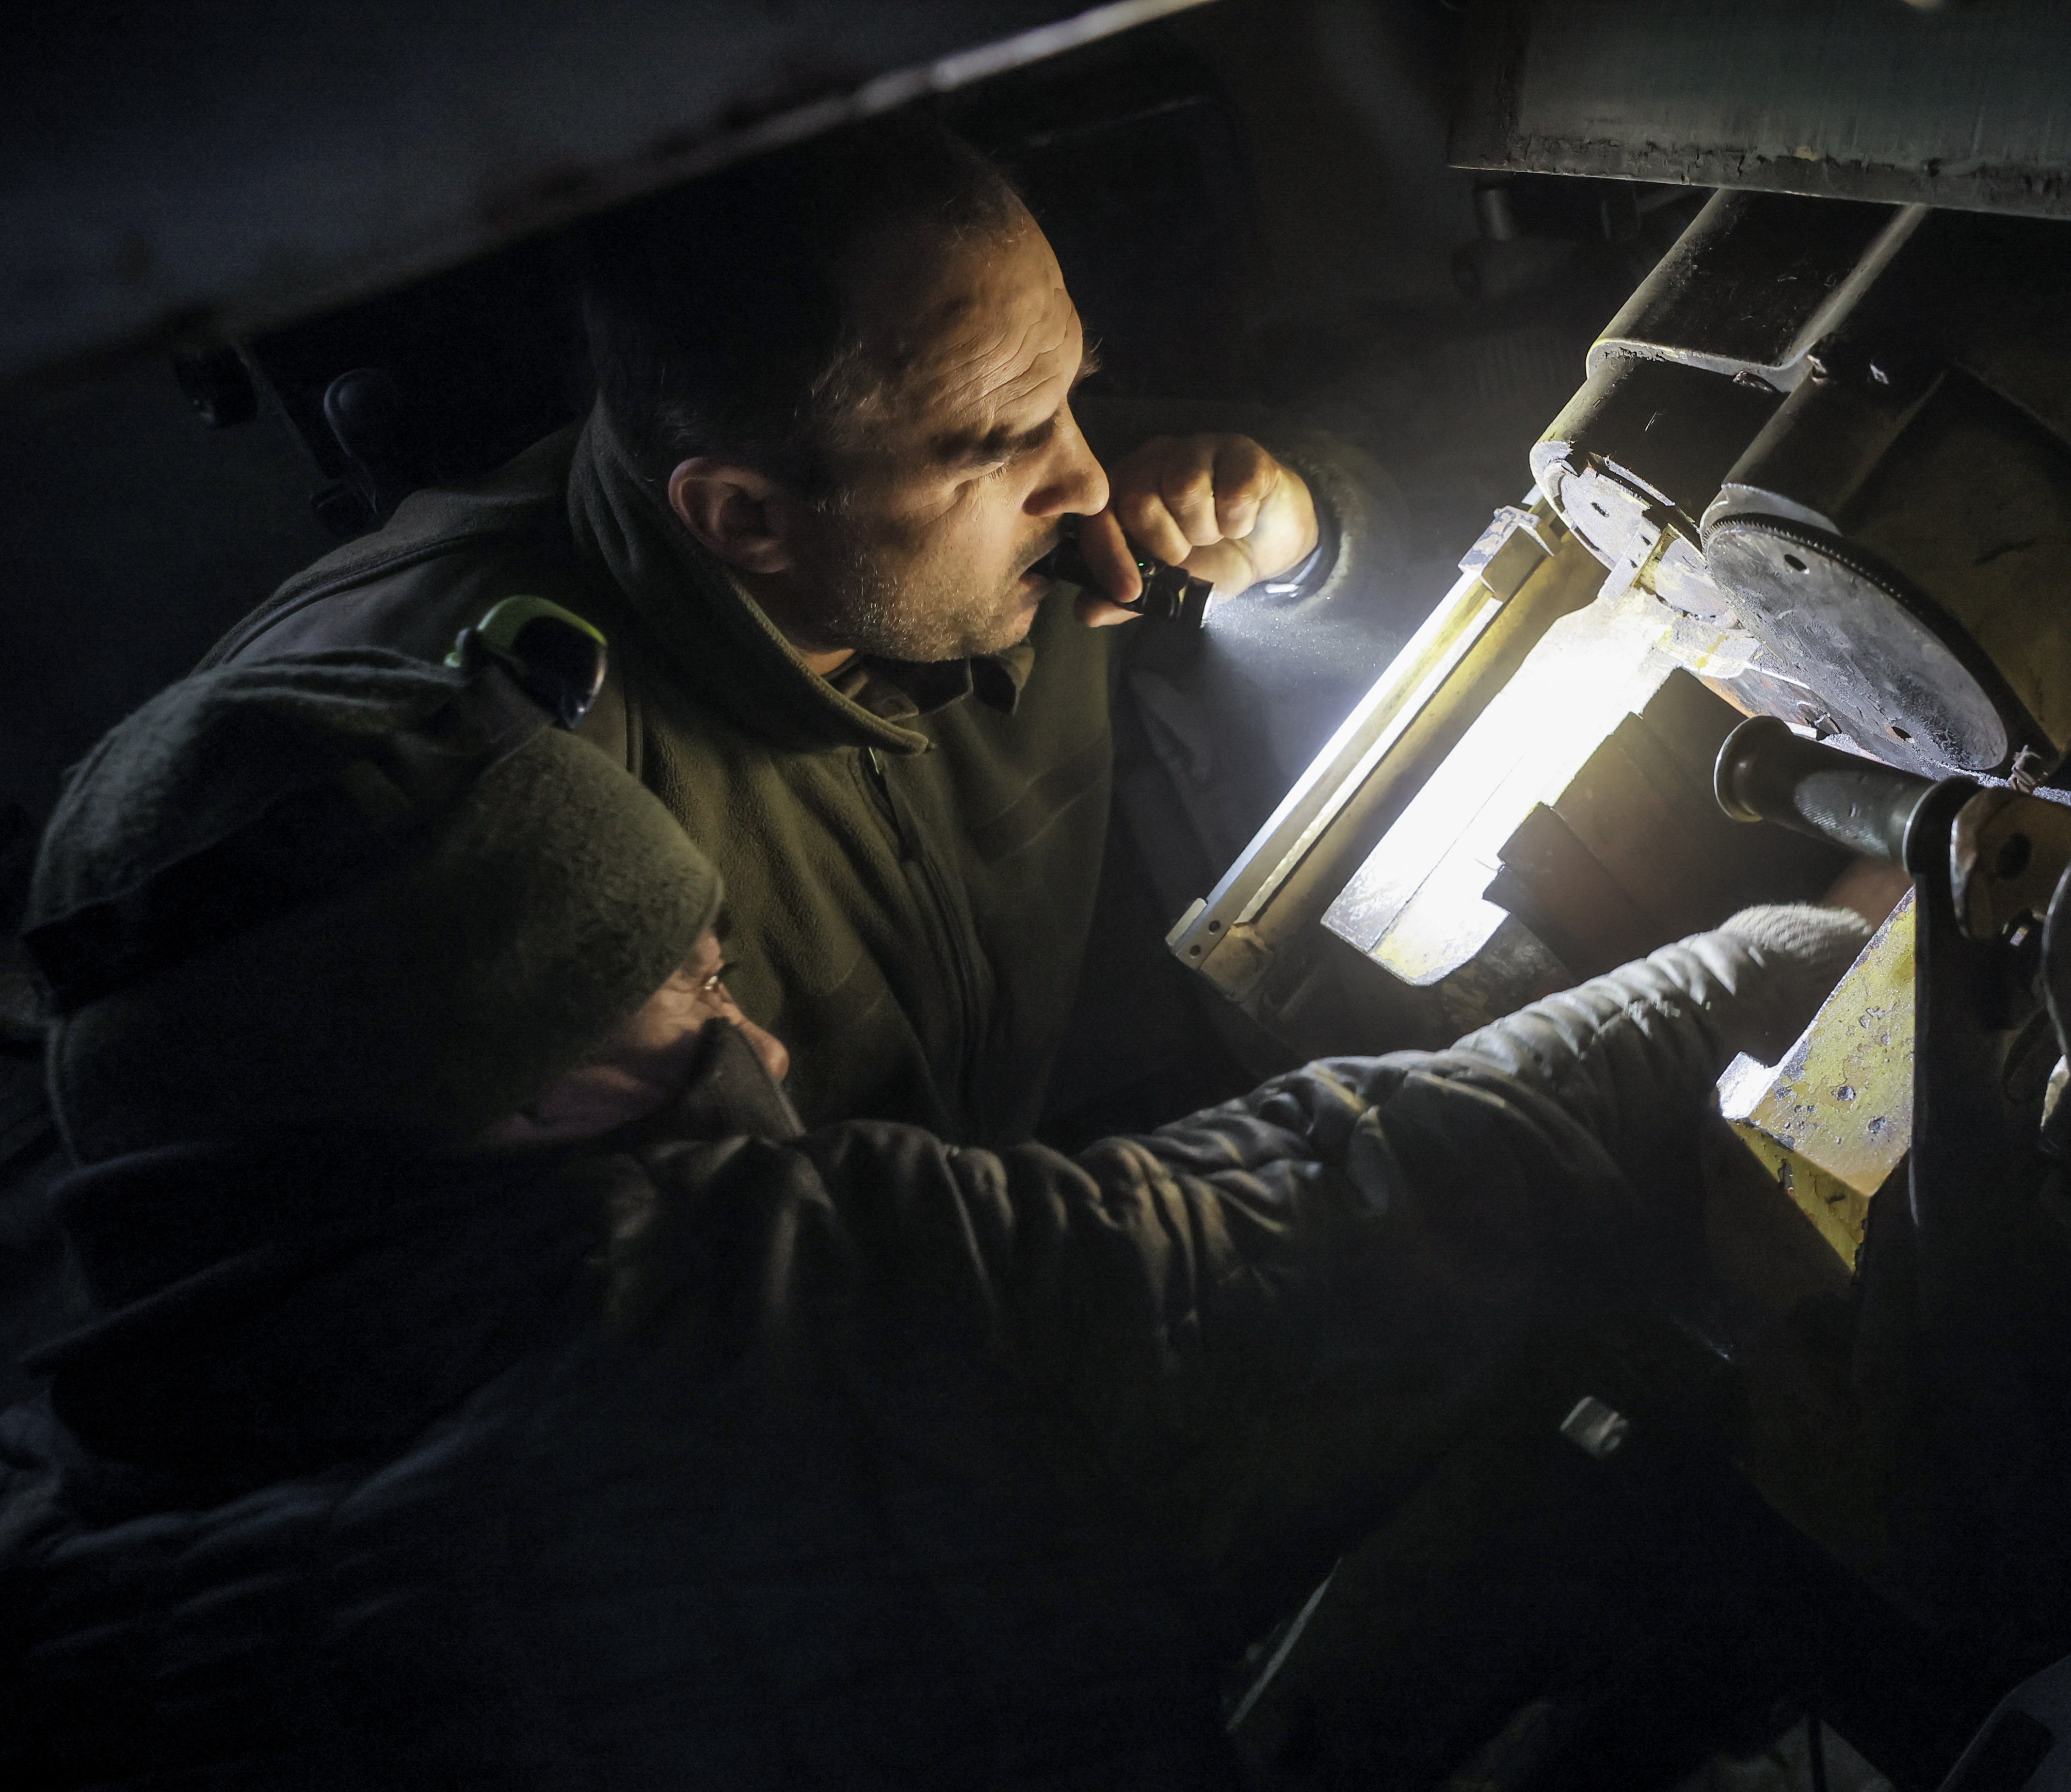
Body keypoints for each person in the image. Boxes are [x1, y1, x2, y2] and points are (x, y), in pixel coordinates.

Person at [0, 650, 1870, 1792]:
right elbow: (1369, 1196)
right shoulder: (774, 1333)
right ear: (529, 1079)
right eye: (701, 991)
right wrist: (1815, 946)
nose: (768, 1047)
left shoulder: (89, 1573)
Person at [204, 111, 1370, 1143]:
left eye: (1071, 395)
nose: (1082, 480)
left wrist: (1299, 528)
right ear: (746, 516)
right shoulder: (470, 768)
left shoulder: (950, 453)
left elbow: (1356, 496)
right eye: (1006, 448)